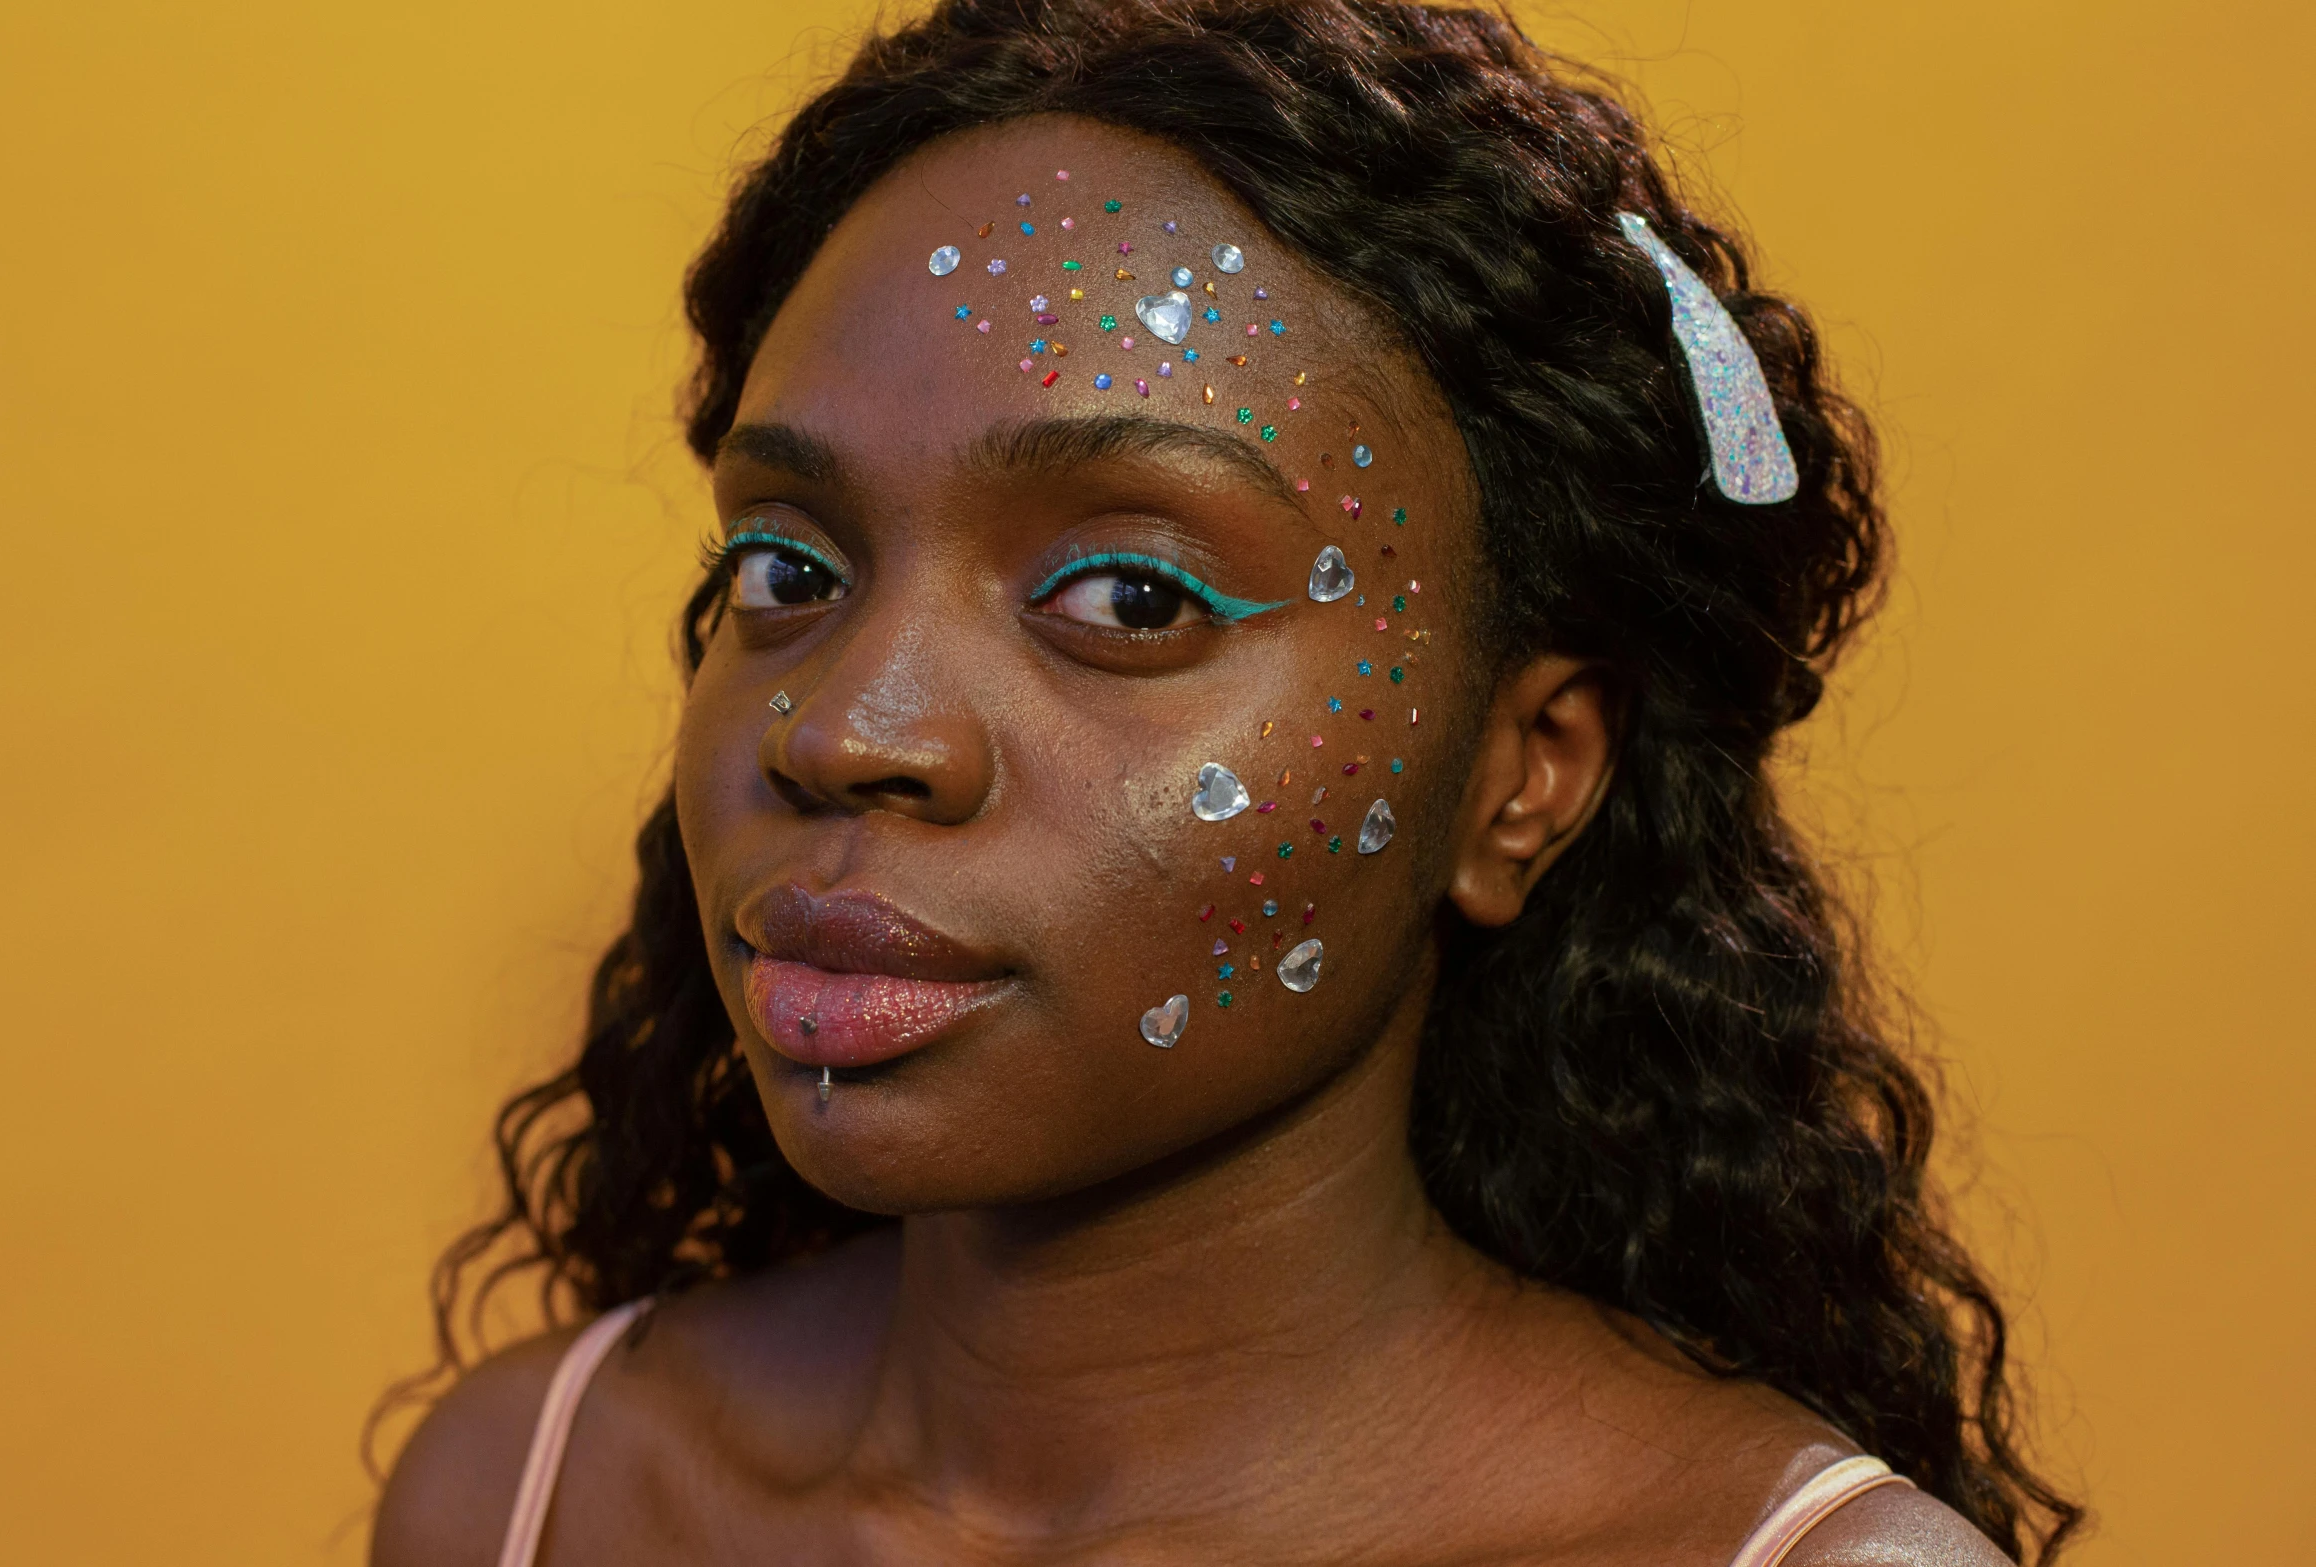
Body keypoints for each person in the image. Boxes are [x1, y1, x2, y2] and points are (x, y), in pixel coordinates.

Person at [371, 2, 2083, 1561]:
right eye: (786, 570)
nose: (844, 727)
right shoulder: (533, 1486)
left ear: (1522, 774)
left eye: (1129, 596)